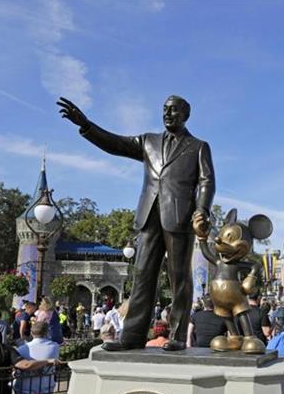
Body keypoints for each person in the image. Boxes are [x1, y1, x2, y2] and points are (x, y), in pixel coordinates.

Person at [58, 95, 216, 351]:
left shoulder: (198, 146)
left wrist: (202, 210)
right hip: (148, 215)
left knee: (179, 278)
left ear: (186, 115)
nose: (167, 114)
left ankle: (176, 336)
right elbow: (115, 144)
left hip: (179, 217)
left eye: (174, 110)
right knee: (142, 275)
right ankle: (132, 336)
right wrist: (86, 125)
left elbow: (207, 180)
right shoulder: (148, 141)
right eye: (164, 109)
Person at [0, 323, 59, 394]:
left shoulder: (19, 349)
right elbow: (25, 365)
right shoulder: (6, 350)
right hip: (0, 392)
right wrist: (47, 361)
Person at [13, 321, 61, 394]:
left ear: (31, 333)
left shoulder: (21, 349)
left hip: (23, 389)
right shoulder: (55, 346)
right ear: (47, 333)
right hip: (46, 387)